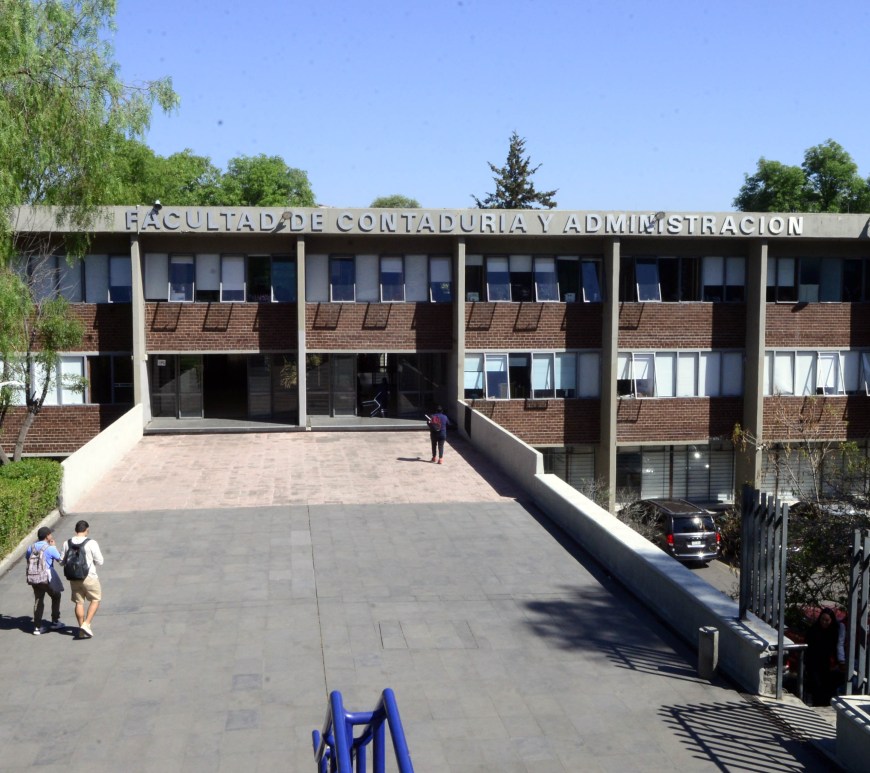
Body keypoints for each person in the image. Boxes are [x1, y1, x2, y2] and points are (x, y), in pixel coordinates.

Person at [59, 520, 104, 639]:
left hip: (73, 577)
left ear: (75, 530)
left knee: (79, 602)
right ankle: (86, 624)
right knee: (95, 599)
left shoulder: (67, 543)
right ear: (87, 530)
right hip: (89, 576)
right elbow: (100, 561)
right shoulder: (91, 543)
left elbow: (61, 562)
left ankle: (81, 629)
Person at [25, 526, 64, 635]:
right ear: (47, 536)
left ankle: (37, 627)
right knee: (56, 596)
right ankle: (55, 621)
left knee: (38, 600)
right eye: (50, 534)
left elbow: (27, 558)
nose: (51, 535)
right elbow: (60, 560)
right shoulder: (50, 548)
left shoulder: (31, 547)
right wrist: (54, 546)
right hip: (46, 578)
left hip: (34, 578)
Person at [805, 607, 846, 706]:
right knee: (817, 689)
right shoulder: (814, 629)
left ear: (831, 620)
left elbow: (838, 646)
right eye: (822, 619)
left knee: (828, 690)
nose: (824, 622)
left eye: (827, 620)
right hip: (815, 664)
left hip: (829, 666)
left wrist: (840, 661)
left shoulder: (835, 631)